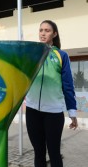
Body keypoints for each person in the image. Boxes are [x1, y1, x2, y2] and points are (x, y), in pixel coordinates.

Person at [25, 20, 78, 167]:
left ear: (54, 34)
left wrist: (72, 113)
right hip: (32, 110)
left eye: (47, 30)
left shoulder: (61, 55)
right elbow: (23, 78)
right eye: (41, 30)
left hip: (53, 112)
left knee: (54, 153)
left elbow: (68, 85)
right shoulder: (32, 54)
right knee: (38, 153)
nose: (43, 33)